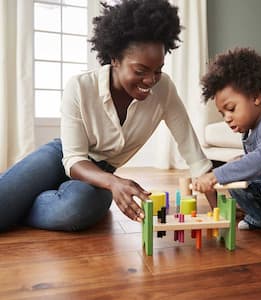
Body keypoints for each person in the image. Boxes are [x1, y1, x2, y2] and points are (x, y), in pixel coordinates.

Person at [0, 0, 212, 232]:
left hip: (101, 176)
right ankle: (17, 206)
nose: (151, 80)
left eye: (158, 70)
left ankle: (18, 208)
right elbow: (73, 159)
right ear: (115, 59)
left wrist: (218, 210)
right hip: (62, 157)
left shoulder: (164, 91)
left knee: (75, 209)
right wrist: (115, 183)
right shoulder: (80, 86)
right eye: (140, 71)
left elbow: (194, 156)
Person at [193, 47, 261, 251]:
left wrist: (216, 175)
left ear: (256, 97)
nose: (226, 118)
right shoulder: (249, 131)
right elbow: (253, 164)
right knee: (238, 170)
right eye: (222, 112)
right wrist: (234, 165)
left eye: (231, 109)